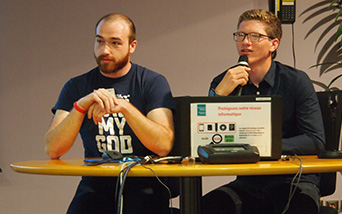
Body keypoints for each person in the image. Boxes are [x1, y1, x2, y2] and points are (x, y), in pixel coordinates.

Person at [44, 13, 176, 214]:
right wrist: (81, 105)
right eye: (99, 41)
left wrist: (124, 107)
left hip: (144, 183)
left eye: (115, 43)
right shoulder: (76, 85)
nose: (105, 50)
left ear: (132, 46)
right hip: (96, 184)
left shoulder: (152, 82)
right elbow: (53, 149)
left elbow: (163, 145)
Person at [203, 9, 325, 214]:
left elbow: (315, 140)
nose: (245, 42)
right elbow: (205, 138)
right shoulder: (224, 81)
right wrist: (219, 95)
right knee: (208, 206)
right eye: (240, 35)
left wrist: (261, 146)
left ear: (273, 44)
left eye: (255, 36)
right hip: (249, 183)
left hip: (293, 178)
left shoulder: (295, 81)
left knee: (298, 207)